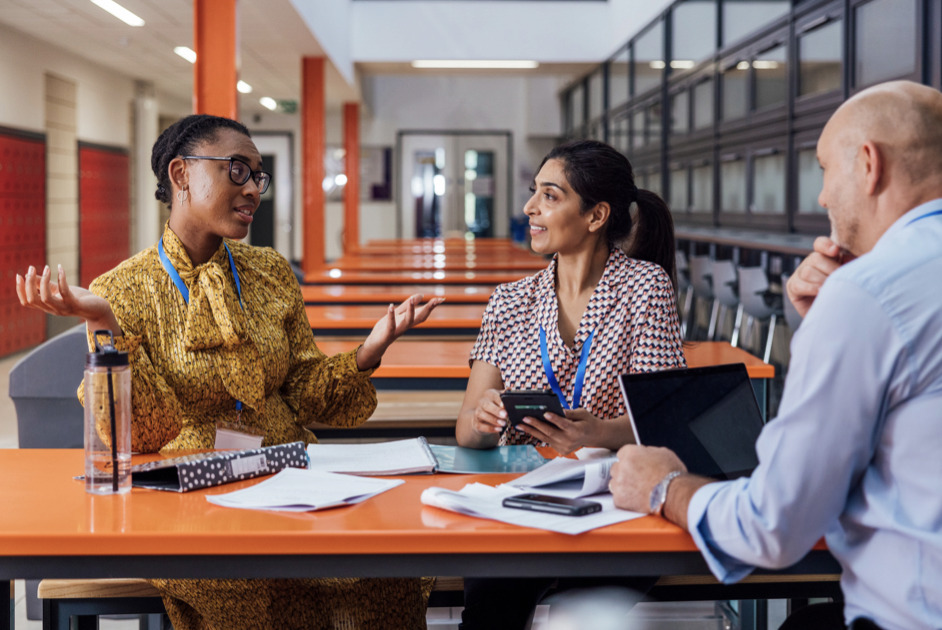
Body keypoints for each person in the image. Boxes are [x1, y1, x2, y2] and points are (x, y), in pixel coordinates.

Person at [15, 113, 442, 629]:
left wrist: (369, 349)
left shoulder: (269, 272)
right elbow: (141, 436)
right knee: (256, 584)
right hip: (186, 500)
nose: (253, 190)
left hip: (289, 475)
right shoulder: (122, 290)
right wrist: (104, 325)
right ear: (181, 175)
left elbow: (305, 392)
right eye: (237, 170)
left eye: (257, 176)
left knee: (378, 567)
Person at [609, 80, 942, 630]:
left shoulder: (868, 294)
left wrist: (664, 487)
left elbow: (773, 526)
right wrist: (835, 338)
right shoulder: (867, 299)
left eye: (823, 169)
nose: (822, 198)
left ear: (868, 164)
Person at [455, 139, 686, 629]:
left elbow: (666, 421)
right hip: (521, 500)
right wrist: (483, 418)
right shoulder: (510, 301)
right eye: (534, 191)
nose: (530, 207)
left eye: (550, 195)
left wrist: (594, 434)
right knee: (489, 614)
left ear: (596, 215)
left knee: (576, 618)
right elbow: (466, 432)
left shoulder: (645, 287)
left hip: (616, 501)